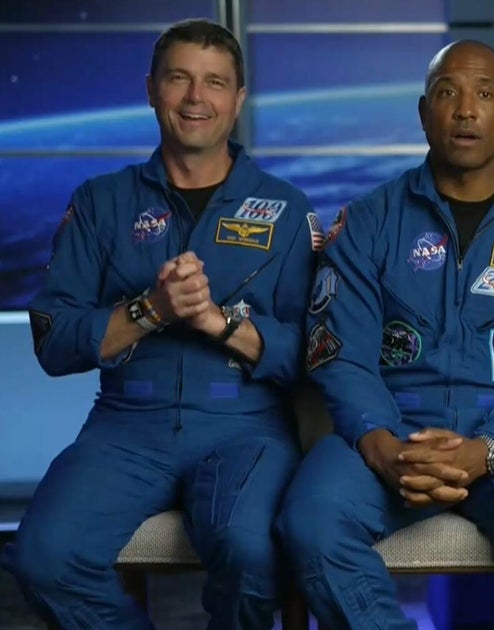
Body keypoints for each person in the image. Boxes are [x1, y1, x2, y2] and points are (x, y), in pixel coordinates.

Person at [273, 40, 494, 629]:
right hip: (392, 426)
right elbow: (340, 353)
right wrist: (381, 446)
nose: (465, 109)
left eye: (485, 94)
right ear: (424, 112)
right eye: (447, 92)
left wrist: (490, 447)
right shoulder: (369, 222)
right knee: (310, 525)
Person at [0, 19, 318, 630]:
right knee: (42, 559)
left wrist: (217, 322)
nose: (196, 97)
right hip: (127, 426)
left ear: (238, 99)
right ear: (151, 89)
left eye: (215, 82)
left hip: (244, 426)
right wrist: (150, 311)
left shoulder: (285, 210)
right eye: (179, 79)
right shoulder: (101, 202)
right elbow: (55, 342)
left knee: (251, 556)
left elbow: (311, 355)